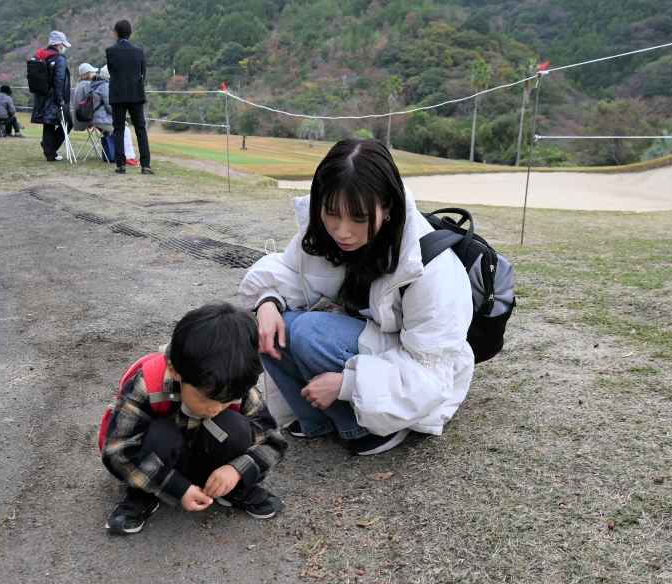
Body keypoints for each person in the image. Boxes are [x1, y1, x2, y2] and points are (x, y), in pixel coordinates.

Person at [239, 138, 475, 456]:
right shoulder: (323, 234)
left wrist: (349, 384)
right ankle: (319, 421)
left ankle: (370, 429)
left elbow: (432, 374)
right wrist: (267, 301)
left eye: (359, 218)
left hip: (412, 365)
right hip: (365, 340)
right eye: (331, 212)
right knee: (270, 326)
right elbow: (287, 273)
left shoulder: (431, 267)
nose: (342, 231)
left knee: (309, 331)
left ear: (388, 207)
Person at [101, 302, 287, 535]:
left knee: (235, 425)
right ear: (176, 371)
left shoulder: (235, 385)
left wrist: (237, 470)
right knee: (160, 434)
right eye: (206, 398)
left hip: (208, 459)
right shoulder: (148, 383)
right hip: (160, 462)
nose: (216, 408)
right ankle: (144, 492)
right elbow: (118, 450)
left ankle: (228, 488)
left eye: (227, 399)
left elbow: (273, 442)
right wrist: (177, 488)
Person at [105, 19, 154, 175]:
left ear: (116, 34)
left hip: (117, 94)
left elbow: (111, 72)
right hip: (135, 94)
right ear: (130, 34)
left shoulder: (110, 51)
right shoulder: (138, 51)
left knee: (118, 128)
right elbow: (143, 73)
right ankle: (145, 165)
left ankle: (121, 164)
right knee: (140, 129)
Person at [31, 30, 72, 162]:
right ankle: (50, 150)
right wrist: (60, 98)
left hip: (41, 95)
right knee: (67, 123)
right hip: (54, 97)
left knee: (48, 123)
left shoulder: (38, 55)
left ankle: (49, 149)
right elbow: (59, 79)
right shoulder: (59, 59)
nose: (63, 47)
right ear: (58, 44)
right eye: (63, 45)